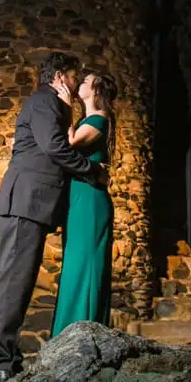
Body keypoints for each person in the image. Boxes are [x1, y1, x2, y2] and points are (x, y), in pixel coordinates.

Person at [0, 51, 104, 382]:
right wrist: (91, 170)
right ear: (60, 76)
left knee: (18, 283)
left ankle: (6, 358)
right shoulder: (43, 102)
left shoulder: (53, 105)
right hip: (25, 202)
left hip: (31, 205)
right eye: (74, 74)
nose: (78, 81)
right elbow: (54, 147)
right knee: (13, 284)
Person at [50, 71, 117, 337]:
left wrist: (65, 108)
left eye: (87, 81)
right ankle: (66, 334)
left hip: (90, 201)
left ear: (97, 90)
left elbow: (70, 145)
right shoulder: (85, 119)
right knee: (74, 266)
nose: (80, 84)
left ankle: (83, 332)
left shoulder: (99, 119)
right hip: (78, 199)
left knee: (85, 265)